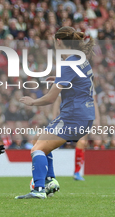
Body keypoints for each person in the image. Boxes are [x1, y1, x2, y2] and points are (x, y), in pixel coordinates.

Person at [16, 26, 95, 199]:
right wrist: (59, 79)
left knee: (36, 149)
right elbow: (81, 82)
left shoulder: (68, 63)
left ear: (58, 41)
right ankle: (50, 181)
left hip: (73, 116)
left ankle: (38, 190)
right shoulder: (81, 60)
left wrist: (33, 102)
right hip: (86, 115)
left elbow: (51, 98)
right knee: (41, 141)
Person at [52, 93, 100, 181]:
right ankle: (50, 171)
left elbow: (94, 102)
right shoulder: (67, 81)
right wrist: (54, 117)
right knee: (56, 141)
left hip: (83, 116)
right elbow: (58, 100)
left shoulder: (88, 83)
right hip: (66, 116)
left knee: (82, 142)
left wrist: (97, 119)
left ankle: (77, 172)